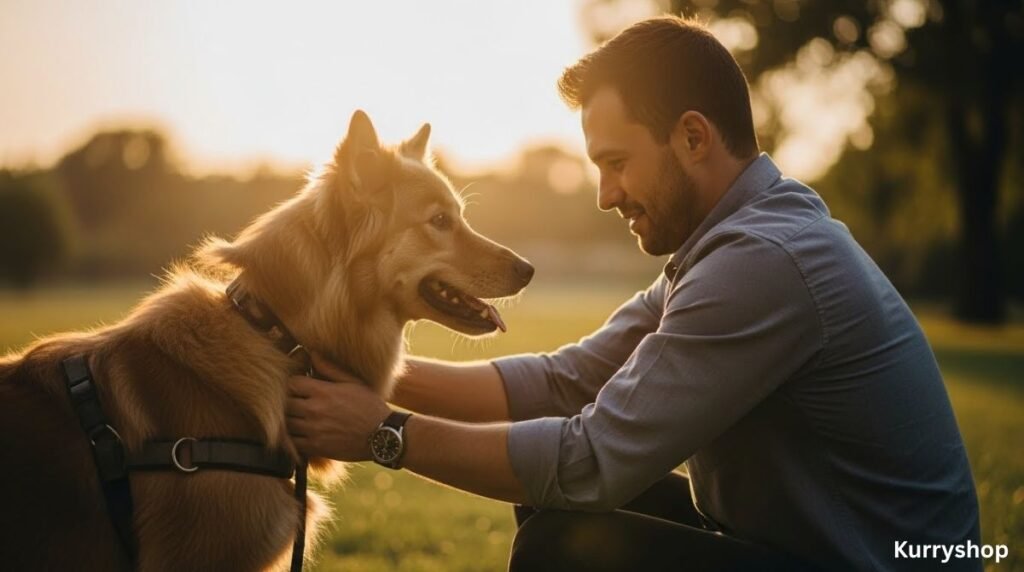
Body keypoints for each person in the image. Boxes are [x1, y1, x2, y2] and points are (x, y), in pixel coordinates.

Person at [285, 16, 981, 571]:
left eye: (616, 164)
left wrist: (381, 434)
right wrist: (365, 376)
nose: (605, 194)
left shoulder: (760, 263)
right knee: (556, 512)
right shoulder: (726, 245)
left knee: (562, 549)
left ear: (692, 138)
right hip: (805, 548)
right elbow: (567, 382)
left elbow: (589, 463)